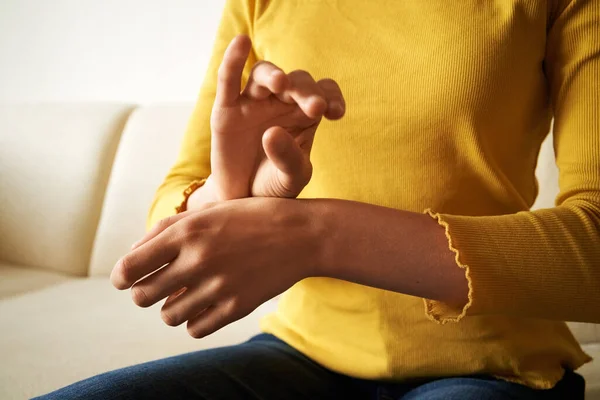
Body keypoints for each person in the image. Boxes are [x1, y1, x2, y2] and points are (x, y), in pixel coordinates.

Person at [37, 0, 599, 399]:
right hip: (296, 352)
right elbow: (170, 207)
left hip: (497, 367)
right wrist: (231, 190)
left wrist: (313, 236)